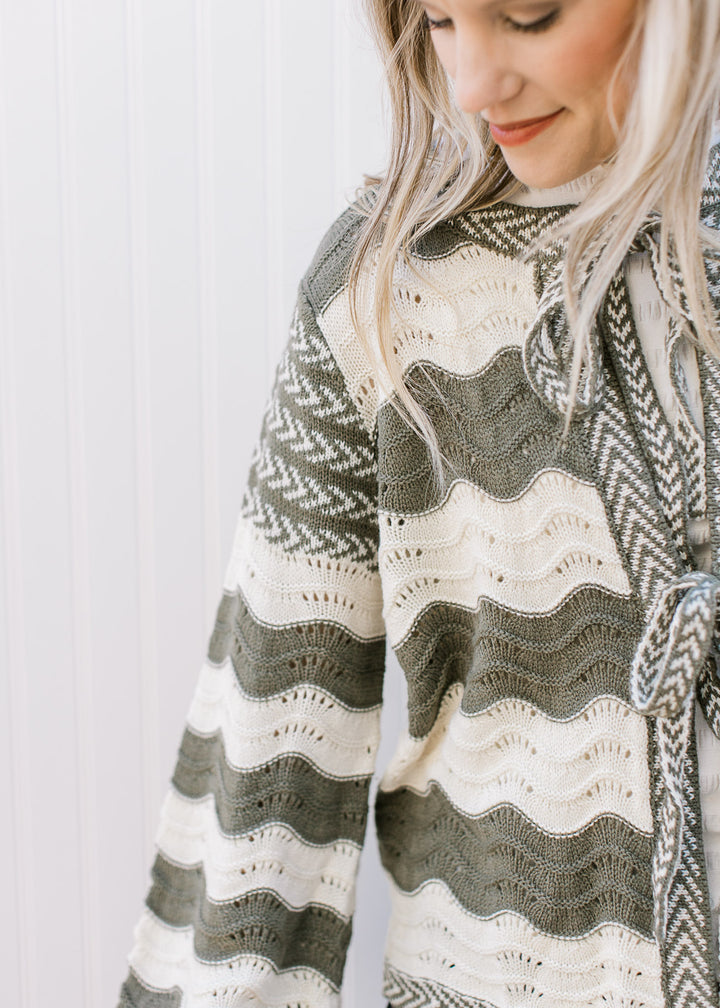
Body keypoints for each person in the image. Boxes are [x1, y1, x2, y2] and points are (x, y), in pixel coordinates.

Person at [118, 1, 720, 1006]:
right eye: (439, 19)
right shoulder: (386, 294)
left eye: (529, 14)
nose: (475, 81)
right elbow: (274, 735)